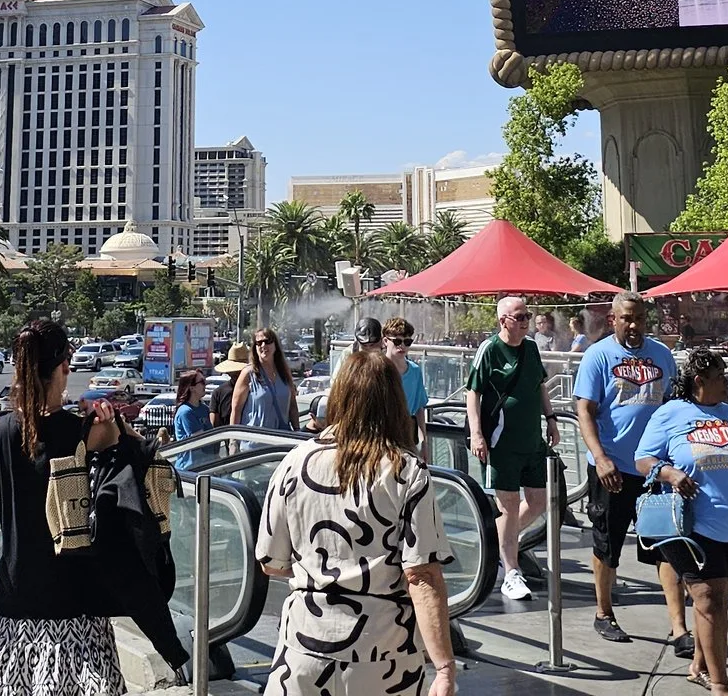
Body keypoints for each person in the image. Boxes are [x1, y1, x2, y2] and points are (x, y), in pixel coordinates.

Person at [0, 320, 126, 696]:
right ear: (64, 367)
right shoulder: (90, 432)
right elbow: (139, 473)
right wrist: (116, 425)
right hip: (79, 615)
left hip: (13, 613)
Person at [254, 349, 458, 696]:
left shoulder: (293, 464)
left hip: (303, 649)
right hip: (383, 655)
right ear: (394, 401)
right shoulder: (406, 473)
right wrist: (444, 666)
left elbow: (270, 562)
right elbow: (421, 576)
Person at [638, 349, 728, 696]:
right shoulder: (670, 413)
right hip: (692, 526)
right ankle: (720, 685)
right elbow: (643, 458)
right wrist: (669, 473)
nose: (727, 382)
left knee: (720, 593)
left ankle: (699, 664)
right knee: (707, 598)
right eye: (720, 377)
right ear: (700, 381)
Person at [569, 290, 677, 645]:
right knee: (607, 545)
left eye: (639, 318)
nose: (633, 325)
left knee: (666, 545)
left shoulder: (662, 355)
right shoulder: (597, 356)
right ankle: (604, 612)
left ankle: (678, 626)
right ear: (613, 319)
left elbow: (674, 406)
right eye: (626, 318)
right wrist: (601, 458)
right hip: (612, 469)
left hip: (654, 471)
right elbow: (585, 409)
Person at [465, 295, 560, 604]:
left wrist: (552, 419)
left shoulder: (531, 348)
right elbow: (473, 393)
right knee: (507, 505)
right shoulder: (490, 350)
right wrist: (477, 434)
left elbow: (540, 386)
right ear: (502, 320)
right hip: (502, 442)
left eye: (527, 316)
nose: (525, 321)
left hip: (532, 439)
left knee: (537, 500)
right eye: (519, 317)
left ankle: (496, 540)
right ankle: (510, 571)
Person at [231, 328, 298, 431]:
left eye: (267, 341)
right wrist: (233, 441)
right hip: (255, 442)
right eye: (259, 343)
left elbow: (292, 405)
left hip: (282, 440)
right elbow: (236, 409)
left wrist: (297, 431)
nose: (263, 346)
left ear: (275, 345)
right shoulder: (248, 374)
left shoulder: (284, 372)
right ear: (255, 347)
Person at [381, 318, 429, 457]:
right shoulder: (377, 369)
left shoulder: (415, 371)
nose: (402, 346)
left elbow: (420, 408)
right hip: (382, 435)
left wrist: (424, 443)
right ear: (385, 341)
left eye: (407, 342)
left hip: (407, 435)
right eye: (397, 341)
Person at [170, 368, 210, 469]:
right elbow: (199, 438)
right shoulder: (185, 412)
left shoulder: (204, 409)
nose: (205, 385)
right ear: (191, 388)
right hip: (189, 468)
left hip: (206, 464)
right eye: (202, 382)